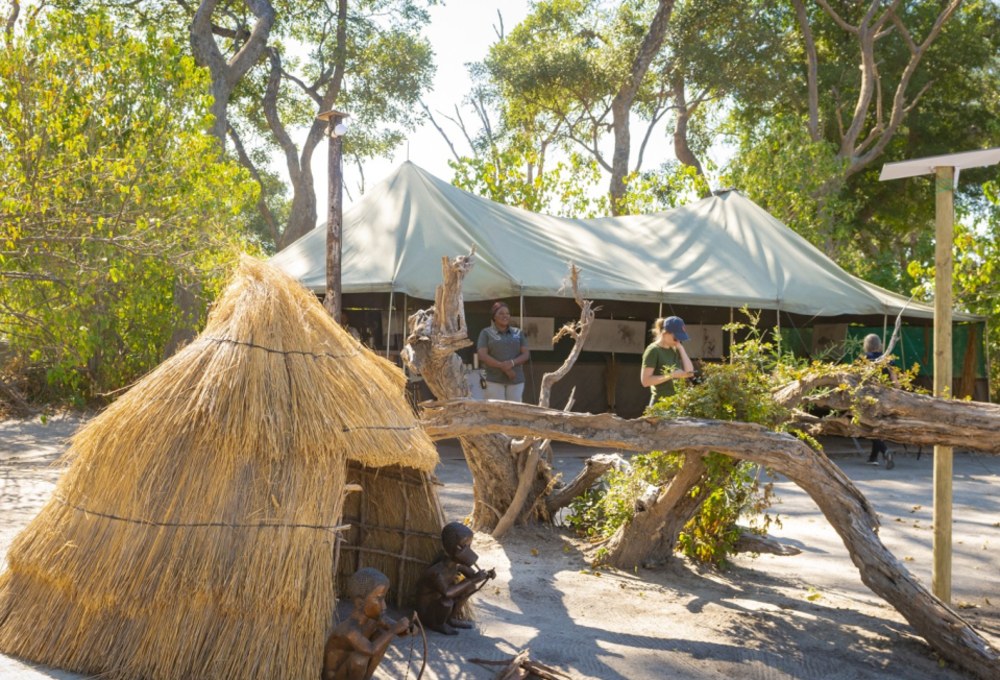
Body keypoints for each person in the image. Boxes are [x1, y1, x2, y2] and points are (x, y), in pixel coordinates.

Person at [322, 567, 411, 680]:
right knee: (360, 659)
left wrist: (407, 628)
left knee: (381, 635)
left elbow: (393, 626)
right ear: (360, 603)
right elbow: (371, 649)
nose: (384, 606)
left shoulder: (373, 620)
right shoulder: (348, 630)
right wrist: (394, 630)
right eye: (379, 599)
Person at [415, 522, 496, 635]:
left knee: (470, 587)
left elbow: (472, 576)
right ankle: (438, 624)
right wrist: (472, 580)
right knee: (446, 602)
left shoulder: (456, 564)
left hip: (439, 603)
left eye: (470, 546)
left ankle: (450, 618)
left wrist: (486, 575)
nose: (469, 550)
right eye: (465, 547)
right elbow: (447, 593)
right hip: (427, 612)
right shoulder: (437, 572)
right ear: (455, 548)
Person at [476, 301, 530, 402]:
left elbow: (526, 354)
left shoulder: (518, 332)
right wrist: (503, 366)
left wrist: (512, 363)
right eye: (501, 313)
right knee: (496, 411)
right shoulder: (486, 333)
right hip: (493, 380)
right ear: (494, 316)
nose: (505, 316)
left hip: (515, 380)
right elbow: (482, 355)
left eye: (507, 313)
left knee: (514, 411)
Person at [641, 316, 694, 407]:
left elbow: (690, 373)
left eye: (680, 338)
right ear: (665, 333)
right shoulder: (653, 350)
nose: (678, 340)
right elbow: (645, 381)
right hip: (659, 405)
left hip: (676, 404)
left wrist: (681, 348)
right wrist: (671, 375)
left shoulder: (674, 349)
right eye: (676, 337)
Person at [862, 333, 899, 467]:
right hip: (886, 396)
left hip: (870, 396)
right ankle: (873, 457)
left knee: (870, 426)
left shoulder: (865, 359)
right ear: (879, 344)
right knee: (878, 426)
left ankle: (884, 450)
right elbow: (895, 381)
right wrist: (899, 394)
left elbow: (861, 378)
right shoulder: (888, 360)